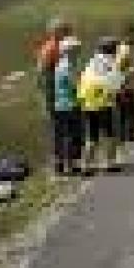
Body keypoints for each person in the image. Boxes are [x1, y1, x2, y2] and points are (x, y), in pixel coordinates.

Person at [79, 37, 124, 175]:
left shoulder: (91, 62)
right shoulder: (111, 63)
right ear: (112, 49)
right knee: (110, 134)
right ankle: (109, 163)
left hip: (87, 102)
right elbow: (116, 84)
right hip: (104, 102)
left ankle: (86, 165)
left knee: (91, 136)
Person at [35, 16, 71, 169]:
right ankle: (59, 162)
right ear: (56, 32)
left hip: (59, 92)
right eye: (66, 31)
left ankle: (64, 160)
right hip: (54, 93)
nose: (69, 33)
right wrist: (46, 96)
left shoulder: (59, 46)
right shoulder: (51, 48)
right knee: (58, 127)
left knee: (62, 127)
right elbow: (42, 73)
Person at [52, 36, 83, 175]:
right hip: (70, 104)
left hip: (61, 104)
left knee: (64, 135)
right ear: (69, 51)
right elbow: (74, 85)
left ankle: (64, 164)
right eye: (76, 49)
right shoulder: (68, 66)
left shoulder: (60, 64)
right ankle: (70, 166)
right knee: (71, 135)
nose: (78, 51)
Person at [115, 25, 134, 144]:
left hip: (126, 84)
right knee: (129, 110)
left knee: (127, 110)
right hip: (124, 84)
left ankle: (126, 135)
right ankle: (128, 135)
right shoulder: (125, 49)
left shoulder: (125, 48)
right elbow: (120, 68)